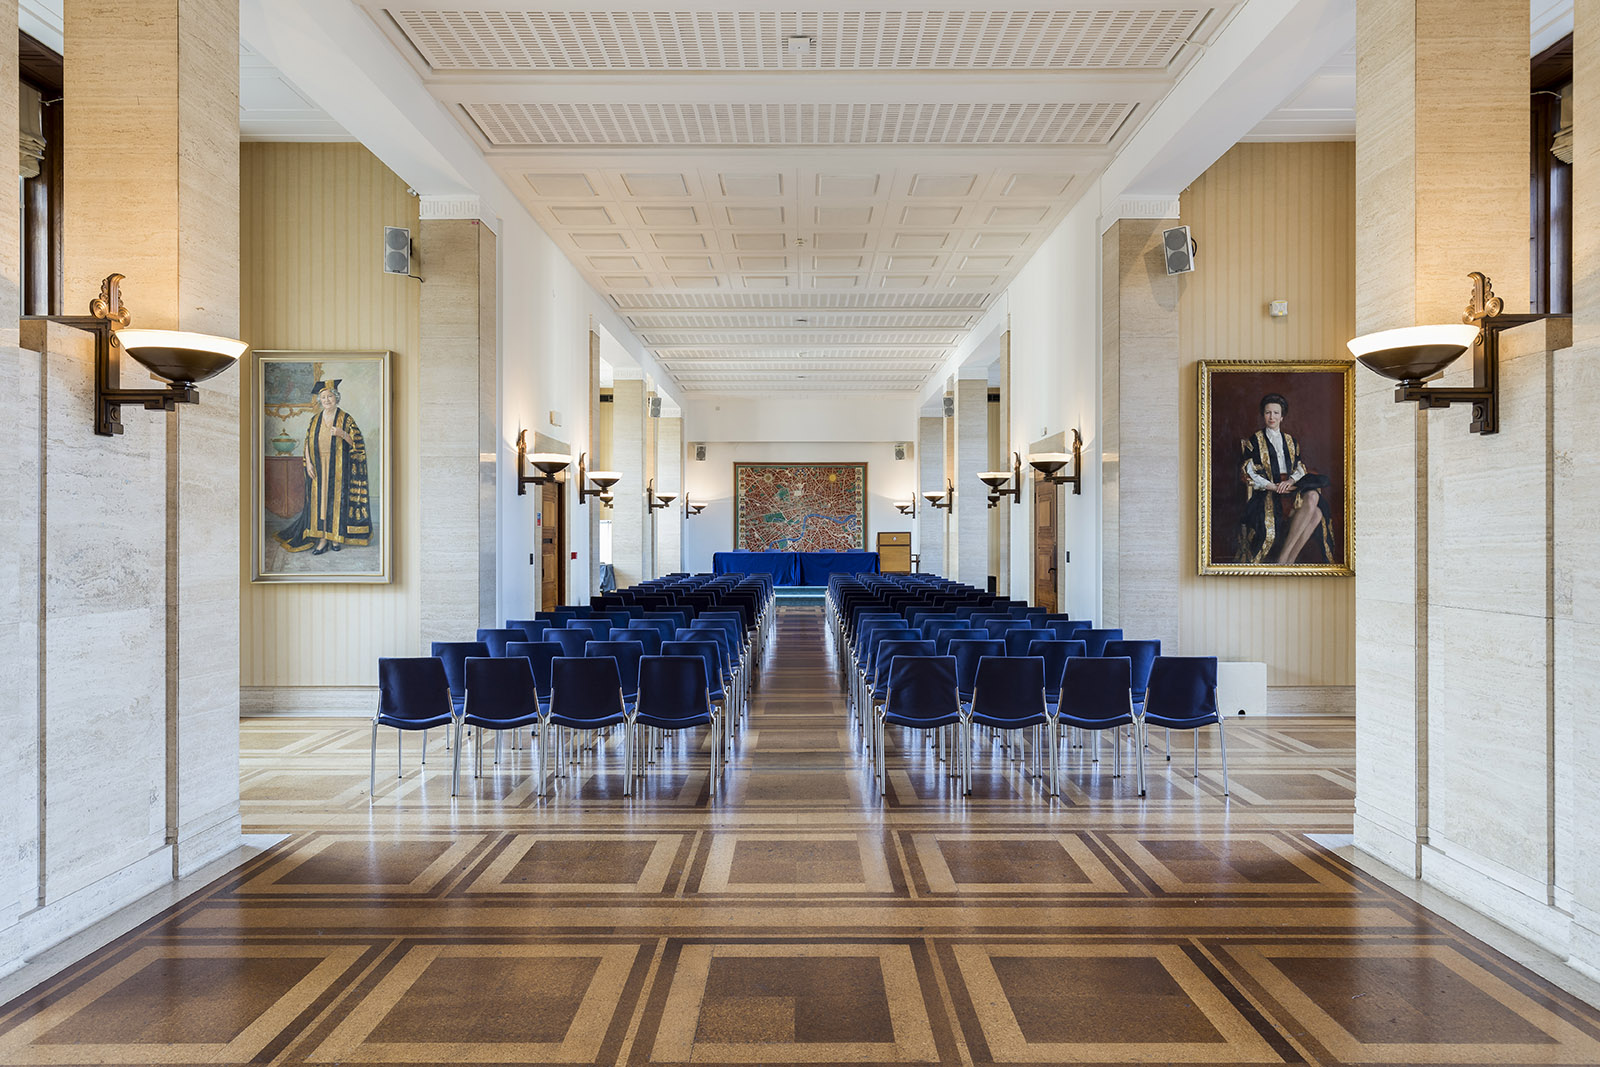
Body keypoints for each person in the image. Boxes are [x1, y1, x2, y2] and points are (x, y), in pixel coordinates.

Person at [275, 379, 372, 556]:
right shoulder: (315, 420)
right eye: (323, 397)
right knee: (320, 503)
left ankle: (335, 537)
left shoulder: (346, 419)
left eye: (330, 396)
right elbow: (307, 443)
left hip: (339, 468)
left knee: (335, 502)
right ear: (320, 400)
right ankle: (322, 539)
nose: (327, 400)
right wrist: (309, 463)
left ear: (336, 398)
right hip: (319, 466)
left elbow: (357, 444)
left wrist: (342, 434)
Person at [1235, 392, 1334, 565]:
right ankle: (1285, 560)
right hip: (1268, 492)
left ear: (1282, 417)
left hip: (1290, 489)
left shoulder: (1290, 441)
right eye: (1268, 412)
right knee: (1316, 512)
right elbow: (1249, 471)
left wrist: (1290, 482)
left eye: (1275, 413)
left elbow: (1300, 468)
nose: (1271, 417)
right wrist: (1272, 486)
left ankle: (1286, 559)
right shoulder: (1256, 440)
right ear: (1263, 415)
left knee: (1314, 498)